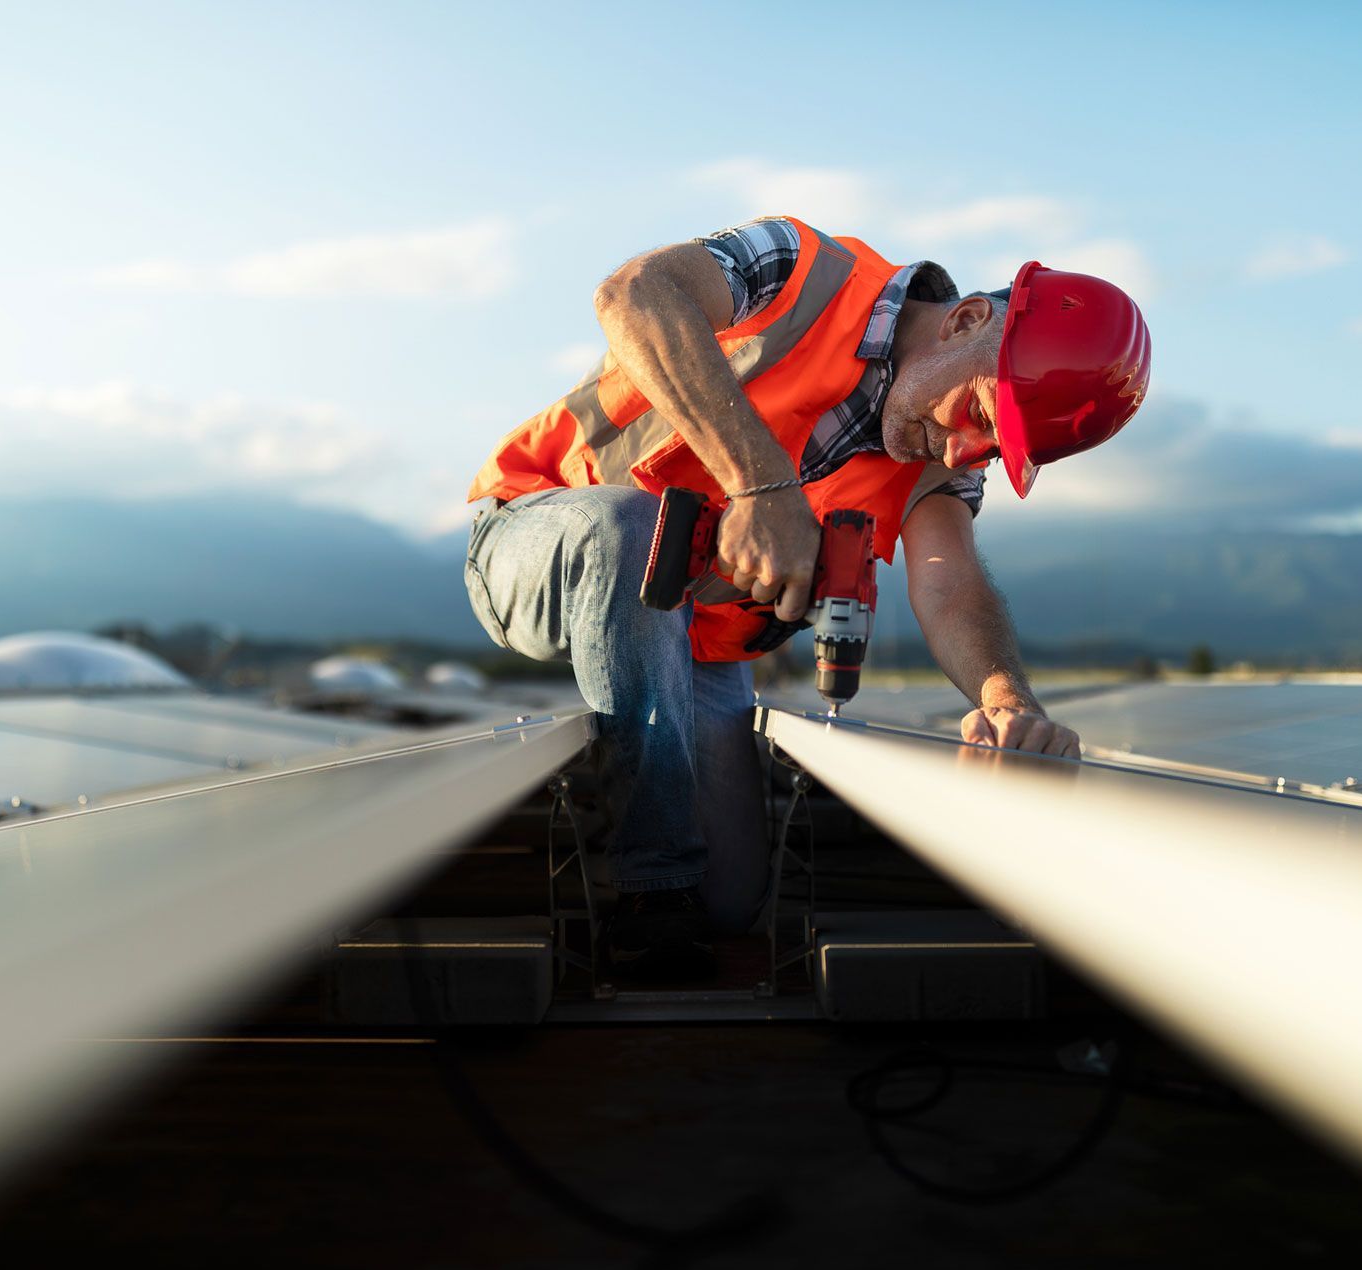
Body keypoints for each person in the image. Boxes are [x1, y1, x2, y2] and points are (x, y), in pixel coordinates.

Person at [463, 216, 1151, 980]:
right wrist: (759, 480)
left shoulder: (939, 457)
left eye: (993, 450)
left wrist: (1007, 697)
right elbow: (633, 293)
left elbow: (948, 578)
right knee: (631, 527)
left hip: (694, 641)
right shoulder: (800, 268)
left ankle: (656, 845)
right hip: (535, 538)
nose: (965, 452)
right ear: (964, 320)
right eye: (981, 418)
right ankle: (647, 883)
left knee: (728, 904)